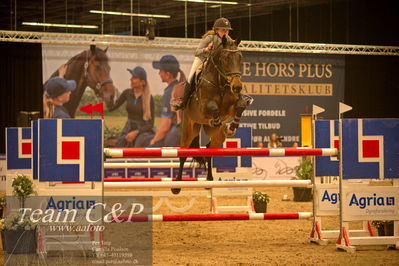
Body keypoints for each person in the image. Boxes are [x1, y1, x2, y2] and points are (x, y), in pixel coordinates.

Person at [107, 66, 155, 147]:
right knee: (119, 146)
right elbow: (111, 108)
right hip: (128, 127)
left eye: (134, 77)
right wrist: (108, 94)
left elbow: (150, 124)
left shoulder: (149, 98)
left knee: (138, 146)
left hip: (142, 130)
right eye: (131, 77)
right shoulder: (127, 93)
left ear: (142, 82)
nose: (131, 79)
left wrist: (136, 132)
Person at [149, 55, 185, 147]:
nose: (159, 73)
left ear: (167, 74)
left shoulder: (169, 92)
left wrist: (153, 141)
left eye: (160, 71)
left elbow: (165, 126)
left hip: (174, 138)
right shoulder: (179, 87)